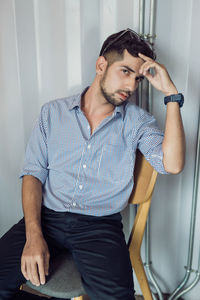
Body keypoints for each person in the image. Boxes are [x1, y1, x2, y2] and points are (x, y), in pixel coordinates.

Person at [0, 28, 185, 300]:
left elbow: (173, 164)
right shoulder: (52, 113)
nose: (132, 86)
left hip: (99, 228)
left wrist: (171, 94)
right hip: (47, 217)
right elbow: (33, 175)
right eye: (125, 72)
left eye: (137, 79)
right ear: (101, 65)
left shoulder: (138, 123)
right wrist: (33, 233)